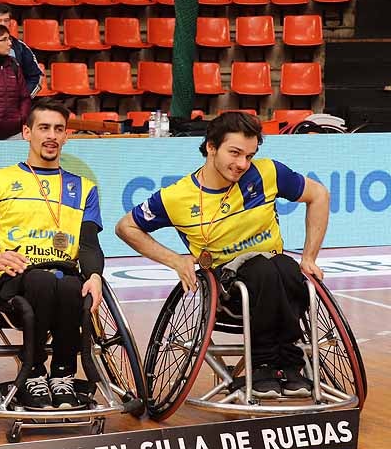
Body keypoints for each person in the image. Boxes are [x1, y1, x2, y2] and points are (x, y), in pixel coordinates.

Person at [115, 112, 330, 398]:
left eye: (249, 156)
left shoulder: (267, 173)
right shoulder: (177, 197)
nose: (242, 164)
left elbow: (319, 195)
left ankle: (288, 364)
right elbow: (126, 227)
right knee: (262, 269)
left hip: (278, 274)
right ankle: (263, 363)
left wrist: (309, 257)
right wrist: (175, 260)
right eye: (235, 153)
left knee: (287, 268)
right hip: (227, 286)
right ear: (211, 147)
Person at [0, 98, 103, 410]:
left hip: (61, 275)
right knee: (40, 281)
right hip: (13, 281)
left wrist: (94, 276)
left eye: (58, 129)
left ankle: (63, 376)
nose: (51, 135)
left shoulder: (85, 188)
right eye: (43, 128)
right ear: (27, 132)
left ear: (67, 136)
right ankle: (34, 374)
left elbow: (90, 246)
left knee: (68, 285)